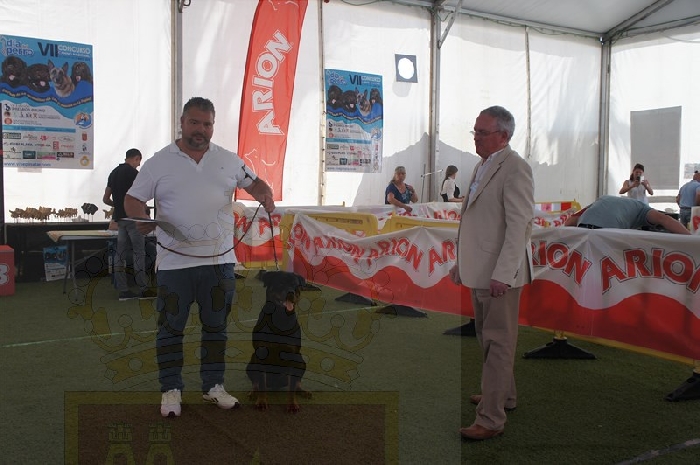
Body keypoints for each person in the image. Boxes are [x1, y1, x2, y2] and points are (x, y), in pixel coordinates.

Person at [123, 97, 275, 417]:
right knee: (170, 330)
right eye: (194, 122)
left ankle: (213, 386)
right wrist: (141, 218)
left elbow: (256, 184)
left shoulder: (229, 160)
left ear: (212, 126)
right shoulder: (158, 162)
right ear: (182, 122)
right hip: (174, 264)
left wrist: (265, 193)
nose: (201, 130)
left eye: (207, 124)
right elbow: (133, 198)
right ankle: (171, 389)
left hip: (220, 264)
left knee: (216, 328)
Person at [448, 106, 534, 441]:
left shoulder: (516, 168)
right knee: (489, 338)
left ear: (504, 135)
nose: (476, 138)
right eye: (475, 131)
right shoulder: (482, 165)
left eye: (482, 133)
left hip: (500, 275)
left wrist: (504, 273)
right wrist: (462, 262)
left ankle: (491, 418)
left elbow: (519, 227)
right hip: (481, 270)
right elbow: (474, 222)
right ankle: (503, 395)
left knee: (498, 343)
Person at [103, 148, 154, 301]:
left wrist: (119, 206)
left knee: (119, 255)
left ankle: (123, 290)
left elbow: (105, 199)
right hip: (133, 219)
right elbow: (141, 198)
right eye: (139, 162)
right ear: (137, 158)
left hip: (120, 219)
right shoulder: (134, 174)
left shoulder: (113, 173)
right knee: (139, 252)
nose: (138, 165)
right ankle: (143, 288)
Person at [564, 195, 690, 234]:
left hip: (582, 229)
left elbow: (569, 222)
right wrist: (691, 239)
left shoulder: (603, 198)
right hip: (606, 233)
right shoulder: (642, 207)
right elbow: (664, 219)